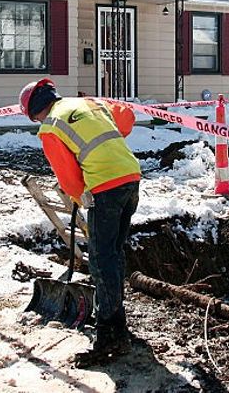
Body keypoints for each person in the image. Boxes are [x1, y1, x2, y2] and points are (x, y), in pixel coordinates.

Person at [19, 78, 140, 367]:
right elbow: (127, 118)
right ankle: (119, 327)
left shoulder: (50, 127)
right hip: (131, 178)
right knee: (113, 254)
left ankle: (108, 337)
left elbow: (68, 177)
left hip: (105, 187)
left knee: (100, 260)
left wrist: (79, 197)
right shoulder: (89, 103)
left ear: (35, 112)